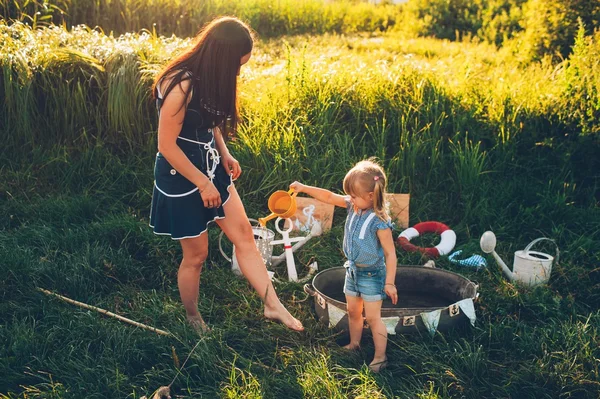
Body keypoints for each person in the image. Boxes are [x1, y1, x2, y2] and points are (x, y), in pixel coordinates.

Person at [149, 16, 303, 333]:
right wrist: (203, 183)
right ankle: (193, 318)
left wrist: (224, 152)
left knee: (244, 236)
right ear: (221, 58)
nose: (237, 72)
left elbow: (210, 120)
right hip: (181, 177)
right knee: (197, 256)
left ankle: (272, 305)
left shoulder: (210, 78)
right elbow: (166, 146)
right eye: (236, 65)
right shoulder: (180, 86)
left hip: (211, 168)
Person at [290, 159, 397, 372]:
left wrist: (390, 283)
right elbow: (329, 197)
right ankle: (355, 344)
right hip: (353, 271)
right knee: (354, 312)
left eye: (354, 195)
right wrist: (304, 188)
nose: (350, 199)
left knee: (374, 318)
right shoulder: (354, 206)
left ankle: (380, 357)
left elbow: (390, 254)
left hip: (372, 275)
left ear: (370, 196)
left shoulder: (379, 221)